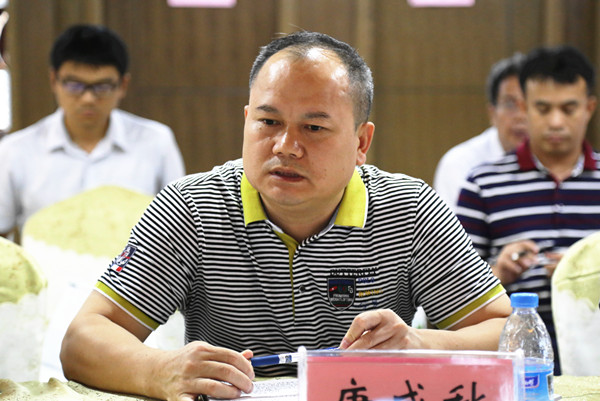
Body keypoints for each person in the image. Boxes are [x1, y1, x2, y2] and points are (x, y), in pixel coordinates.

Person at [61, 31, 511, 401]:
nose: (286, 147)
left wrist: (420, 345)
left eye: (313, 128)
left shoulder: (409, 209)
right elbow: (84, 338)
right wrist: (159, 370)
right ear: (246, 120)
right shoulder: (192, 207)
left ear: (361, 142)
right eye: (268, 122)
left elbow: (506, 330)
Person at [455, 45, 600, 375]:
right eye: (543, 108)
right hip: (512, 356)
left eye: (569, 108)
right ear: (523, 108)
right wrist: (499, 271)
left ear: (589, 108)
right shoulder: (483, 183)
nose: (556, 122)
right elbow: (454, 288)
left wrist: (583, 274)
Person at [0, 24, 185, 239]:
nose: (88, 98)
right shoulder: (15, 150)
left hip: (136, 261)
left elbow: (178, 227)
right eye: (74, 85)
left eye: (102, 86)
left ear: (123, 85)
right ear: (54, 80)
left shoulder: (156, 141)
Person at [433, 53, 528, 211]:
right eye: (510, 104)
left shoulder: (559, 163)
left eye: (530, 105)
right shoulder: (460, 164)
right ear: (492, 113)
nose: (521, 116)